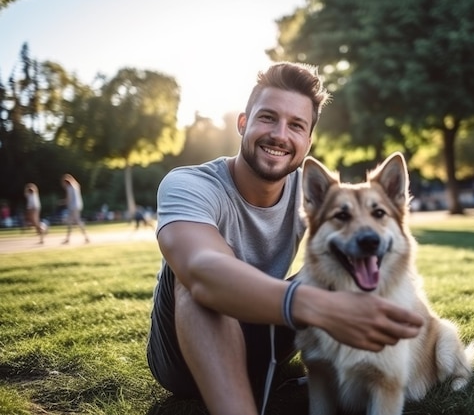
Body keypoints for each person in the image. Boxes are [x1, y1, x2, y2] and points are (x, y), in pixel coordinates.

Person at [146, 62, 424, 415]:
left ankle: (367, 374)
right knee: (194, 279)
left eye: (296, 125)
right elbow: (202, 270)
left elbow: (363, 234)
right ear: (243, 123)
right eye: (267, 118)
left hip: (268, 339)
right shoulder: (190, 184)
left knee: (332, 267)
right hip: (184, 362)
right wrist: (316, 304)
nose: (280, 134)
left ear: (308, 141)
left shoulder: (313, 193)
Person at [60, 173, 90, 244]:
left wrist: (62, 202)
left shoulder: (69, 188)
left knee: (76, 221)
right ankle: (68, 238)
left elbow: (69, 199)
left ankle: (86, 237)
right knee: (71, 222)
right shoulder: (75, 186)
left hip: (73, 206)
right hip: (78, 205)